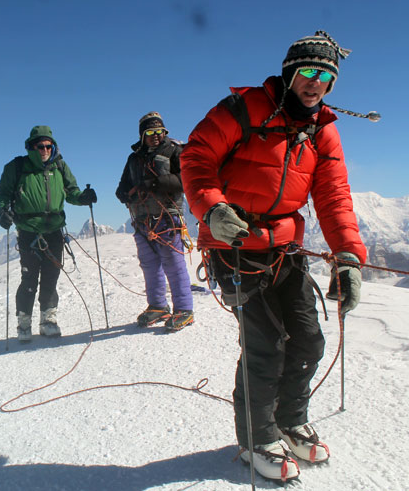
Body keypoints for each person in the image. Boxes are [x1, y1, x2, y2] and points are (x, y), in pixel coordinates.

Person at [180, 31, 368, 481]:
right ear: (290, 72)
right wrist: (212, 208)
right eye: (308, 70)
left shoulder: (322, 128)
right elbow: (196, 157)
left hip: (284, 247)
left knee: (307, 338)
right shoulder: (243, 110)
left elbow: (334, 195)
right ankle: (256, 437)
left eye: (326, 75)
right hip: (234, 244)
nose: (315, 81)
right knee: (265, 345)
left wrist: (347, 256)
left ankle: (288, 418)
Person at [0, 125, 97, 342]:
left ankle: (48, 321)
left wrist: (83, 197)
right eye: (39, 145)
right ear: (31, 146)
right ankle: (24, 323)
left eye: (48, 146)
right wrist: (2, 210)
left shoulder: (60, 166)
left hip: (54, 231)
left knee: (51, 278)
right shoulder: (17, 167)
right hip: (28, 232)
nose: (44, 149)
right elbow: (2, 192)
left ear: (53, 146)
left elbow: (71, 192)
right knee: (29, 279)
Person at [115, 112, 194, 332]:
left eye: (160, 131)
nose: (156, 136)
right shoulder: (134, 159)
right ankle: (158, 305)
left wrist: (155, 183)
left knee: (173, 263)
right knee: (149, 264)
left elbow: (186, 179)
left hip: (167, 216)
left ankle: (184, 309)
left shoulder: (175, 151)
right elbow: (122, 185)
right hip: (142, 219)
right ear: (142, 135)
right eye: (150, 132)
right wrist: (124, 193)